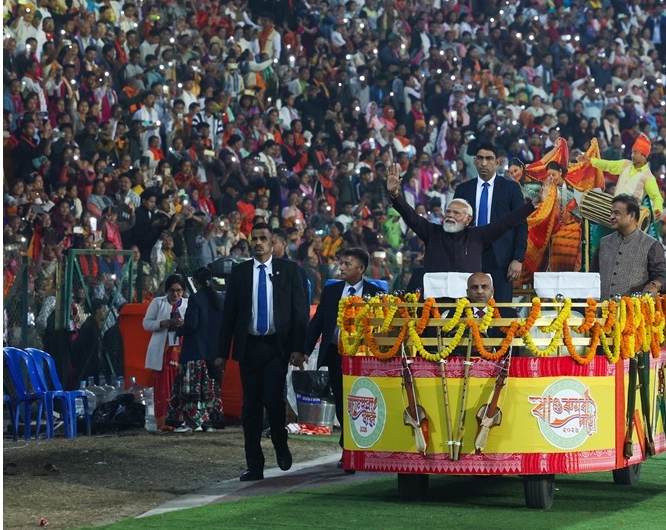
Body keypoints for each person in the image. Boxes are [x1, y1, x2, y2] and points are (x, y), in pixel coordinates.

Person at [216, 226, 311, 481]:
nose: (258, 243)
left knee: (273, 400)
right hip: (249, 347)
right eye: (254, 239)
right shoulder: (240, 272)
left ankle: (280, 443)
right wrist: (221, 352)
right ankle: (254, 465)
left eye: (263, 239)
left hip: (276, 347)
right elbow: (229, 315)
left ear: (273, 242)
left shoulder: (290, 271)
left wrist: (298, 348)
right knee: (251, 407)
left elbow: (300, 314)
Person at [299, 247, 384, 470]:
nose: (342, 267)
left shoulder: (375, 294)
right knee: (343, 403)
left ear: (361, 268)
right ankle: (348, 450)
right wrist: (305, 350)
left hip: (365, 358)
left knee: (364, 402)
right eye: (341, 263)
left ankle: (363, 447)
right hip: (338, 355)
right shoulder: (332, 291)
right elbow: (317, 322)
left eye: (348, 264)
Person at [385, 163, 535, 284]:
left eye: (456, 213)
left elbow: (507, 222)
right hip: (435, 303)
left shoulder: (478, 235)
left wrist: (533, 204)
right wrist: (395, 195)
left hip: (466, 303)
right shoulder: (431, 231)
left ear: (468, 219)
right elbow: (411, 216)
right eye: (448, 212)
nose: (450, 215)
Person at [452, 142, 529, 303]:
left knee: (501, 309)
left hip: (501, 258)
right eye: (480, 158)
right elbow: (455, 224)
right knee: (466, 309)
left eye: (489, 158)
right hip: (469, 255)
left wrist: (518, 258)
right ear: (474, 161)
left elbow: (521, 225)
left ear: (497, 162)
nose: (484, 163)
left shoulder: (511, 189)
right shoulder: (463, 189)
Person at [173, 267, 226, 432]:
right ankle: (211, 422)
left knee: (195, 389)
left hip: (196, 351)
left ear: (195, 282)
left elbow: (192, 325)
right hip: (215, 351)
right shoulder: (219, 299)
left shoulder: (195, 299)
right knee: (212, 388)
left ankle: (194, 422)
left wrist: (179, 329)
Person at [580, 135, 666, 226]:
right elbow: (607, 165)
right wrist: (590, 160)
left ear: (643, 155)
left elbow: (657, 197)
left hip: (629, 218)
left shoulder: (648, 177)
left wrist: (658, 209)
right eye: (632, 152)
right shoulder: (625, 164)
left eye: (635, 153)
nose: (632, 155)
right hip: (613, 210)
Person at [592, 195, 666, 299]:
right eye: (611, 212)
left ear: (632, 215)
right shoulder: (604, 242)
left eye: (616, 213)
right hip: (602, 311)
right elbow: (593, 275)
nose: (611, 217)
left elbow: (661, 277)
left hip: (633, 312)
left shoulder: (651, 244)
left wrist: (653, 286)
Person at [142, 274, 191, 430]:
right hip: (162, 353)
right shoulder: (158, 303)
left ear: (183, 291)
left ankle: (182, 420)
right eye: (172, 291)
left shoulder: (189, 305)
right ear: (166, 290)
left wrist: (183, 325)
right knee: (163, 388)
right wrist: (164, 323)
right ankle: (164, 423)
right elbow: (146, 324)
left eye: (179, 290)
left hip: (181, 353)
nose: (175, 294)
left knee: (183, 386)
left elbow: (195, 326)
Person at [525, 161, 586, 274]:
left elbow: (578, 214)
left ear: (560, 172)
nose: (551, 178)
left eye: (553, 174)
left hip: (571, 230)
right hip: (554, 230)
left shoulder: (572, 188)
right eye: (549, 176)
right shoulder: (548, 189)